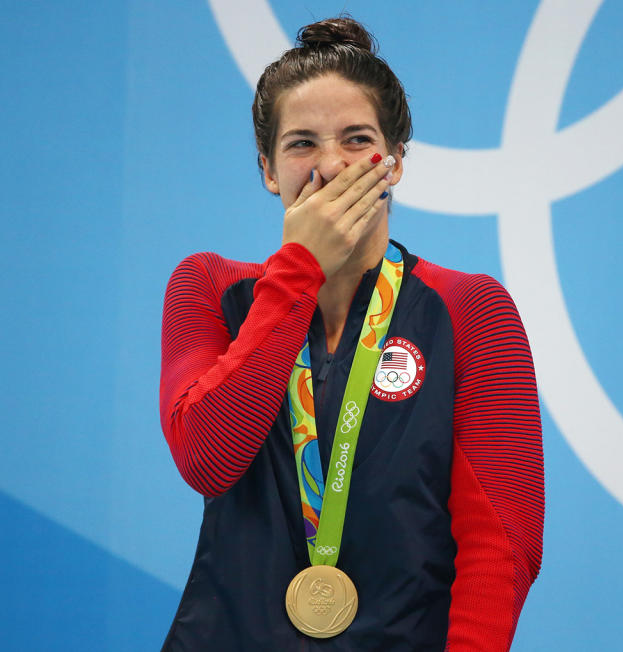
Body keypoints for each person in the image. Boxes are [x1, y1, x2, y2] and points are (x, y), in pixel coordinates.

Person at [159, 16, 544, 651]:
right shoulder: (209, 288)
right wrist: (298, 271)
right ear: (267, 169)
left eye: (356, 139)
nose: (331, 166)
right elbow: (208, 458)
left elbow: (501, 543)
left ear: (394, 163)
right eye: (301, 143)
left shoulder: (470, 308)